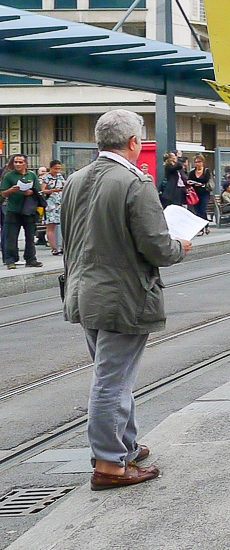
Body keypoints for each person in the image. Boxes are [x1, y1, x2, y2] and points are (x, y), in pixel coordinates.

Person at [60, 110, 189, 490]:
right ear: (134, 142)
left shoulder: (75, 179)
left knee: (115, 376)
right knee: (111, 381)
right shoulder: (136, 183)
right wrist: (180, 245)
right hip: (123, 297)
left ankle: (124, 446)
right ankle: (109, 463)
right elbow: (157, 247)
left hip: (83, 292)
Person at [1, 152, 41, 268]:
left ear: (26, 164)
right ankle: (10, 260)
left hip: (28, 210)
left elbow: (37, 189)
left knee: (30, 235)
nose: (18, 164)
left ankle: (31, 259)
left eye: (20, 162)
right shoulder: (9, 176)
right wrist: (11, 190)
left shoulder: (31, 175)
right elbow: (3, 193)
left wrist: (31, 191)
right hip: (13, 210)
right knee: (11, 236)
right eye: (16, 162)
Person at [40, 160, 66, 256]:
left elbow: (64, 183)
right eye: (55, 168)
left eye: (59, 168)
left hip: (59, 202)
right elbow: (43, 190)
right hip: (50, 203)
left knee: (63, 224)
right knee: (51, 226)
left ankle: (64, 247)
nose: (57, 170)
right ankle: (54, 248)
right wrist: (52, 190)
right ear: (50, 168)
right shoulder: (46, 177)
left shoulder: (59, 176)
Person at [185, 154, 213, 224]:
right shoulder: (192, 172)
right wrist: (190, 182)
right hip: (195, 193)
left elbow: (207, 180)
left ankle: (205, 225)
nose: (197, 164)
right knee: (197, 211)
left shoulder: (206, 171)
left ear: (202, 162)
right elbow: (189, 180)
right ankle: (203, 226)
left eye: (199, 162)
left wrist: (201, 184)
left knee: (202, 209)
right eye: (196, 162)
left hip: (204, 192)